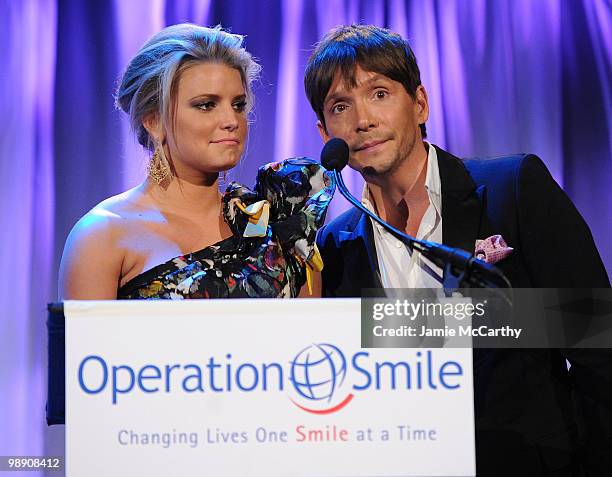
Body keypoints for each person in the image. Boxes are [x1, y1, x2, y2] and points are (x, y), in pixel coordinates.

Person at [304, 25, 611, 476]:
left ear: (420, 103)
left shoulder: (513, 188)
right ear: (324, 130)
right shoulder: (336, 245)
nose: (362, 119)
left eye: (380, 94)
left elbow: (595, 338)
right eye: (340, 106)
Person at [58, 24, 334, 300]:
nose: (231, 121)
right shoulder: (102, 236)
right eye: (206, 105)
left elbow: (314, 338)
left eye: (238, 105)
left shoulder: (277, 226)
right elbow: (84, 344)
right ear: (154, 121)